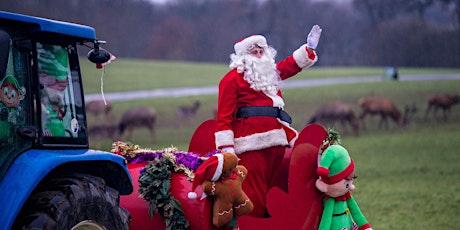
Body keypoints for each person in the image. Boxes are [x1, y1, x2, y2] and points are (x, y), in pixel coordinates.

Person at [214, 25, 322, 217]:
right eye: (253, 52)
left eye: (260, 51)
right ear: (242, 57)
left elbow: (289, 65)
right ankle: (253, 225)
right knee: (253, 195)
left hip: (278, 141)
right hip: (250, 146)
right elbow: (224, 117)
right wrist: (227, 151)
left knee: (272, 192)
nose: (258, 55)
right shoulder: (230, 80)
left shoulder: (269, 74)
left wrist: (309, 49)